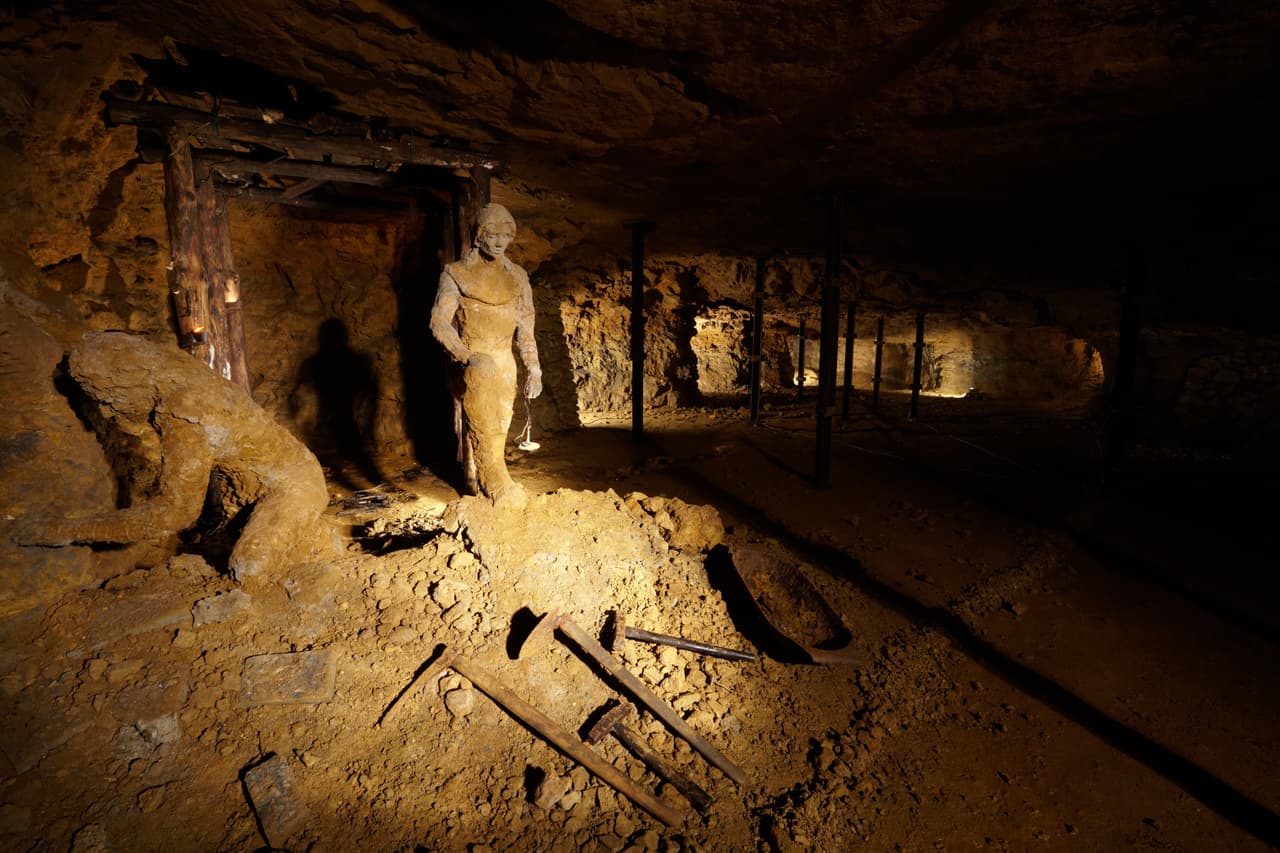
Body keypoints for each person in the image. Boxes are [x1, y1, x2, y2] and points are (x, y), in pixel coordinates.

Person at [429, 203, 541, 507]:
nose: (500, 241)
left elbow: (526, 327)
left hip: (504, 361)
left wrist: (534, 368)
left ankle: (486, 476)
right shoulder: (456, 274)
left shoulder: (518, 277)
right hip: (473, 360)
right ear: (479, 236)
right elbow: (439, 322)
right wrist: (465, 355)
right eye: (493, 234)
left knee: (502, 422)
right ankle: (486, 479)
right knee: (480, 421)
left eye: (506, 235)